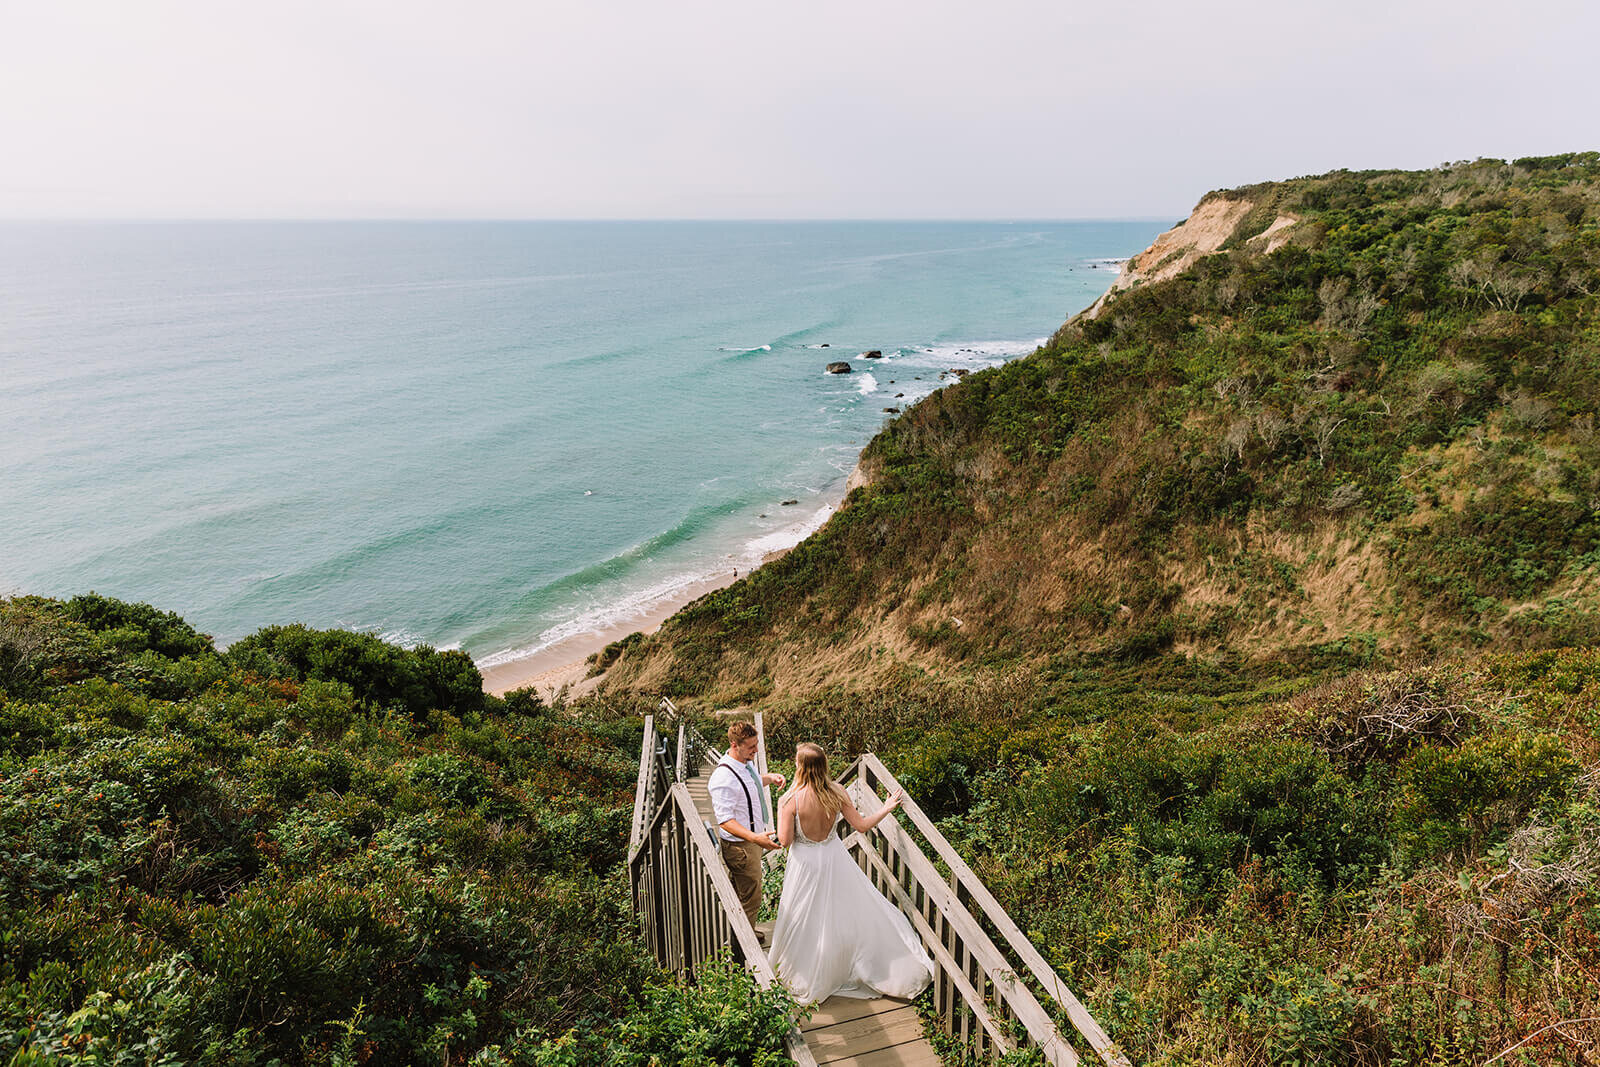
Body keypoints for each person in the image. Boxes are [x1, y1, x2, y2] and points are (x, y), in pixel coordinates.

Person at [767, 743, 934, 1004]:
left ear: (801, 767)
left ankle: (813, 966)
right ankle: (846, 959)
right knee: (841, 912)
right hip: (834, 858)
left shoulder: (790, 800)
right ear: (823, 766)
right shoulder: (837, 792)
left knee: (805, 915)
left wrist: (780, 810)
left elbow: (785, 841)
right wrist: (886, 807)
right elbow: (861, 825)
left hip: (806, 864)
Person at [708, 721, 786, 929]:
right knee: (751, 897)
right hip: (741, 846)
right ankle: (744, 944)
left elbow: (749, 783)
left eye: (756, 744)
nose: (756, 750)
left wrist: (769, 778)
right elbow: (724, 821)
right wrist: (754, 838)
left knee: (741, 892)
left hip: (750, 841)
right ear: (735, 745)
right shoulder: (723, 777)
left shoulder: (745, 762)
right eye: (751, 747)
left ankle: (737, 934)